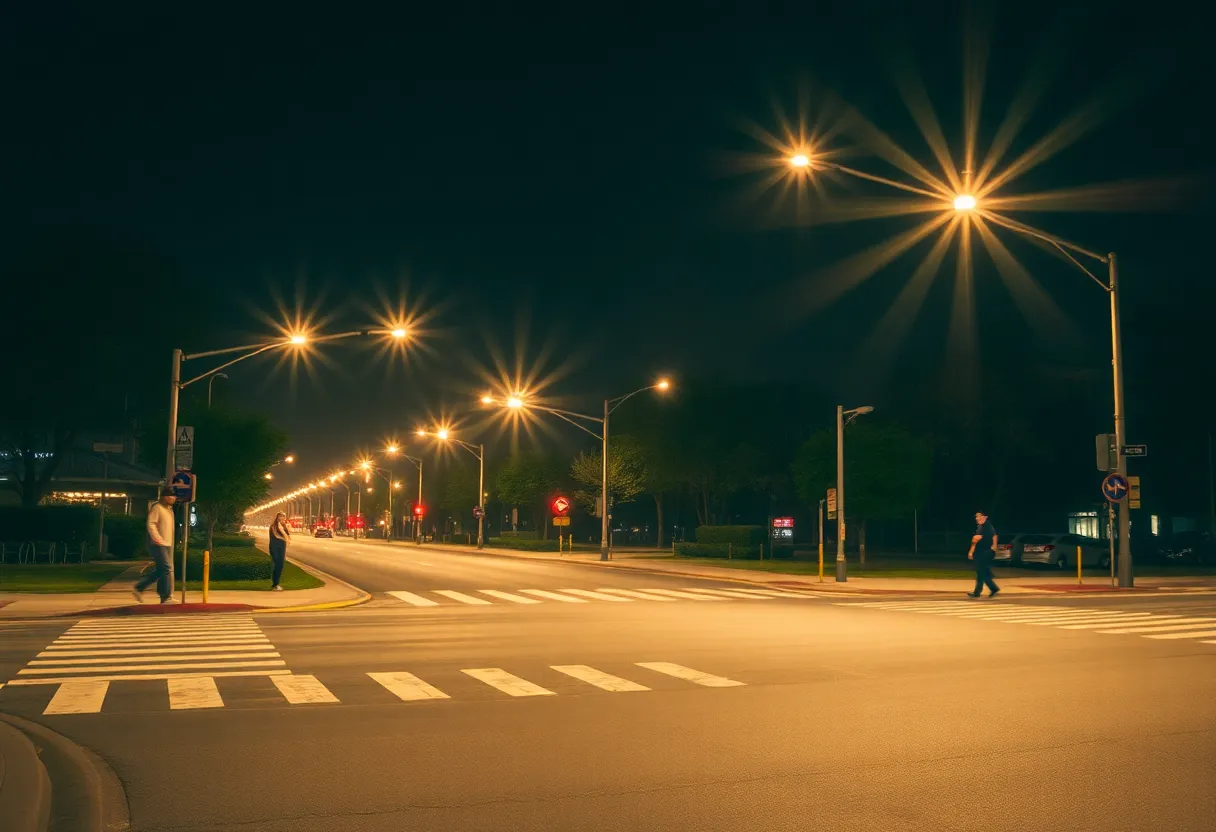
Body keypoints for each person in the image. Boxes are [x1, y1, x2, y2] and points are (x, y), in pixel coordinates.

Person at [134, 487, 177, 604]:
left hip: (167, 543)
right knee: (167, 568)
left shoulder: (169, 510)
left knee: (161, 570)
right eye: (171, 496)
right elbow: (151, 524)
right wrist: (157, 539)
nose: (173, 498)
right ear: (164, 497)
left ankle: (140, 588)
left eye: (174, 496)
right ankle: (166, 596)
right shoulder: (157, 508)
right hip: (158, 544)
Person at [967, 510, 1000, 599]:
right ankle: (992, 588)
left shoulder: (984, 527)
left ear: (985, 517)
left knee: (980, 571)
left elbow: (976, 539)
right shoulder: (988, 526)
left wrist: (971, 551)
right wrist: (994, 547)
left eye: (979, 516)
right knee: (982, 572)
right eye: (976, 517)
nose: (977, 518)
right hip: (986, 552)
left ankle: (979, 592)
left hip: (983, 552)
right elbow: (994, 536)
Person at [268, 511, 292, 591]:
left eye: (284, 517)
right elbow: (277, 537)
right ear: (278, 517)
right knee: (277, 565)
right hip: (275, 547)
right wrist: (284, 535)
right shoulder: (273, 527)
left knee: (280, 565)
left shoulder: (284, 527)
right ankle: (275, 584)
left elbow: (288, 538)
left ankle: (275, 584)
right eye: (281, 517)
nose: (283, 518)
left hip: (282, 547)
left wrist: (287, 529)